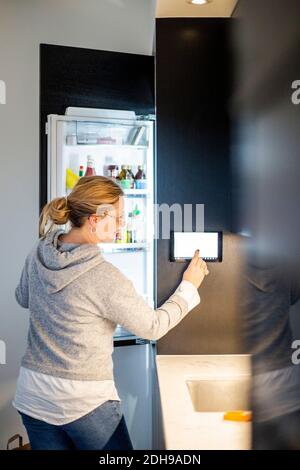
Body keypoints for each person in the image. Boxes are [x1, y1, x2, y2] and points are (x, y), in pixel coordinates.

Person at [13, 175, 209, 450]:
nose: (122, 224)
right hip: (83, 402)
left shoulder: (39, 251)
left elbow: (23, 297)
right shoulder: (103, 276)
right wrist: (188, 287)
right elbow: (152, 327)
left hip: (33, 394)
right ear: (94, 219)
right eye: (118, 217)